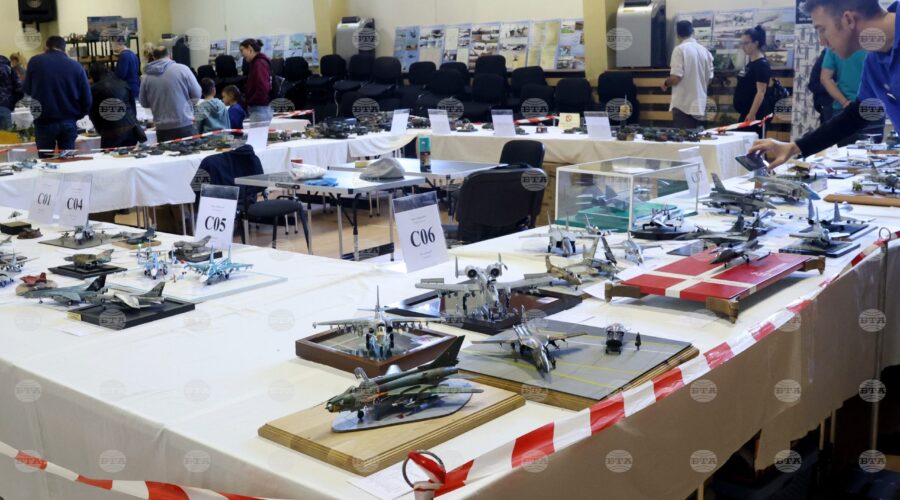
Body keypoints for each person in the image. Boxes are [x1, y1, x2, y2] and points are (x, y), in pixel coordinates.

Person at [752, 0, 898, 169]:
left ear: (849, 20)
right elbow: (858, 114)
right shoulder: (874, 62)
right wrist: (796, 147)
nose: (822, 41)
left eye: (822, 29)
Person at [23, 36, 92, 155]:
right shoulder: (76, 66)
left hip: (44, 120)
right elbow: (87, 98)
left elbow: (27, 89)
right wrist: (78, 115)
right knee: (67, 161)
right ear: (64, 49)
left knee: (45, 161)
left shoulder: (35, 62)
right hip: (68, 120)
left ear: (46, 47)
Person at [820, 46, 883, 144]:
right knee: (873, 151)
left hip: (845, 107)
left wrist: (844, 102)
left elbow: (825, 78)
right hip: (873, 106)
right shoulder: (877, 43)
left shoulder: (835, 44)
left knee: (843, 151)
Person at [139, 46, 201, 142]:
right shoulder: (183, 69)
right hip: (184, 123)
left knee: (166, 151)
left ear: (154, 57)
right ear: (170, 55)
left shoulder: (146, 77)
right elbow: (197, 94)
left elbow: (144, 103)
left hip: (161, 128)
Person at [662, 20, 714, 129]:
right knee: (699, 137)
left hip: (683, 106)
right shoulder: (705, 51)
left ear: (677, 34)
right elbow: (709, 79)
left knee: (683, 137)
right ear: (692, 32)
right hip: (700, 104)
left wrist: (666, 83)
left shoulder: (679, 50)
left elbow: (676, 77)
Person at [88, 63, 144, 149]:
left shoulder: (94, 89)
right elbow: (133, 107)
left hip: (110, 130)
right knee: (130, 155)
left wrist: (100, 130)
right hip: (130, 128)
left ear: (93, 75)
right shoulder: (123, 84)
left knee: (109, 156)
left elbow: (93, 113)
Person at [733, 25, 772, 138]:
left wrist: (752, 113)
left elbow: (761, 91)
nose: (743, 47)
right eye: (742, 43)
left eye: (746, 43)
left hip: (755, 113)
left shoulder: (761, 65)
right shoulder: (750, 64)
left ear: (756, 43)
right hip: (745, 111)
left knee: (752, 143)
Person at [240, 38, 272, 125]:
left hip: (259, 108)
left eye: (242, 50)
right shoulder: (256, 63)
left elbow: (263, 87)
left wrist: (251, 101)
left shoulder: (259, 64)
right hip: (259, 108)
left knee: (258, 133)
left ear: (250, 48)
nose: (241, 54)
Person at [0, 55, 23, 130]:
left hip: (4, 104)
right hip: (4, 105)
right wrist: (12, 102)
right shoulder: (9, 69)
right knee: (6, 135)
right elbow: (19, 89)